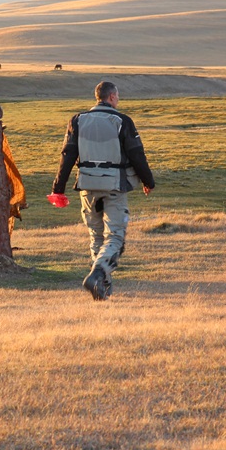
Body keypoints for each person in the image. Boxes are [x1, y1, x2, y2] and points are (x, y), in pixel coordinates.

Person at [49, 81, 155, 301]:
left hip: (87, 186)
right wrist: (148, 181)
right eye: (118, 96)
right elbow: (137, 154)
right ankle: (98, 275)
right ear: (112, 97)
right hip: (114, 185)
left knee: (96, 236)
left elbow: (67, 155)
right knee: (115, 236)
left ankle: (102, 289)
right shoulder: (122, 121)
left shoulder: (77, 120)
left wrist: (58, 188)